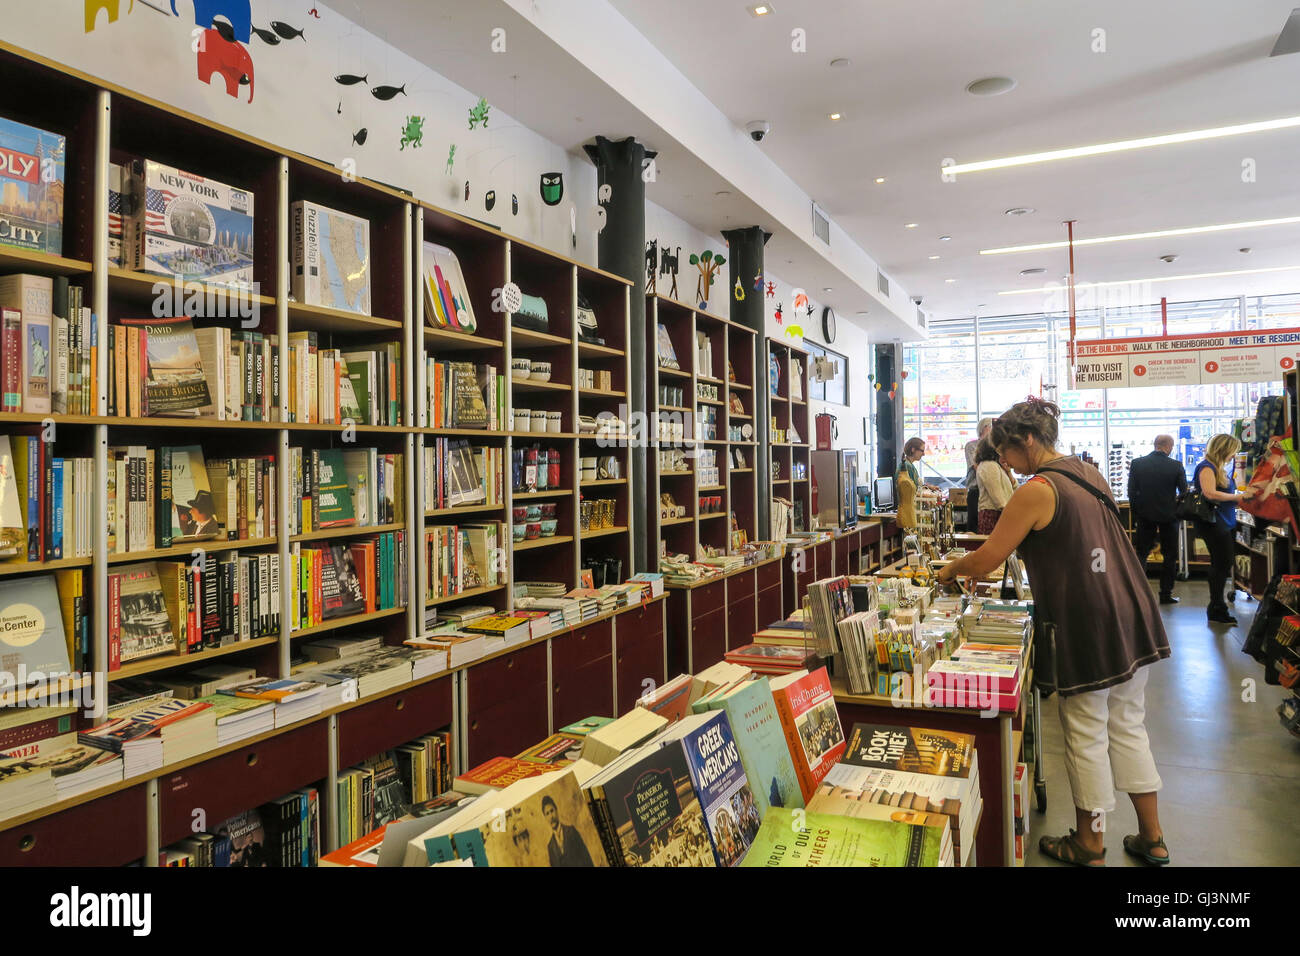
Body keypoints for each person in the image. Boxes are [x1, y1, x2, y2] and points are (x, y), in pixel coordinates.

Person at [936, 397, 1171, 867]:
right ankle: (1153, 837)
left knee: (1084, 731)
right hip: (1130, 608)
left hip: (1086, 620)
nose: (1004, 461)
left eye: (1007, 451)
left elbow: (988, 558)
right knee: (1128, 725)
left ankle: (1089, 842)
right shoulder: (1087, 473)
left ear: (1026, 441)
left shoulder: (1037, 489)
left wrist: (948, 572)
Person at [1194, 434, 1254, 625]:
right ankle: (1217, 607)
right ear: (1224, 450)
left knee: (1223, 563)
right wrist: (1238, 498)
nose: (1233, 456)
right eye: (1232, 452)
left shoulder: (1218, 469)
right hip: (1214, 523)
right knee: (1221, 564)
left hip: (1223, 521)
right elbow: (1210, 493)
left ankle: (1217, 606)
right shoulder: (1206, 467)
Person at [1127, 434, 1188, 604]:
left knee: (1141, 553)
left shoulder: (1138, 464)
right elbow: (1184, 491)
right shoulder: (1176, 465)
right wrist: (1175, 505)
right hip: (1169, 516)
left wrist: (1137, 512)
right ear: (1168, 446)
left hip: (1145, 515)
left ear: (1155, 445)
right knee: (1169, 555)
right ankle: (1165, 594)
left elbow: (1131, 491)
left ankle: (1138, 593)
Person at [973, 438, 1015, 534]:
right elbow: (997, 496)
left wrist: (1008, 472)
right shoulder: (989, 466)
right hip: (993, 514)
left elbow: (1012, 488)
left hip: (998, 512)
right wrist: (1011, 514)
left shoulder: (995, 465)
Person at [896, 437, 938, 530]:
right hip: (908, 512)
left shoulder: (910, 466)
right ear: (913, 449)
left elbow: (916, 485)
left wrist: (928, 487)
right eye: (922, 451)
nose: (924, 454)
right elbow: (912, 489)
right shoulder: (907, 467)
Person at [542, 794, 594, 867]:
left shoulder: (571, 831)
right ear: (545, 818)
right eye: (547, 813)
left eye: (552, 811)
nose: (551, 816)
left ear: (556, 811)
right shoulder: (550, 846)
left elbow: (586, 857)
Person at [965, 418, 994, 531]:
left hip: (991, 490)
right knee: (974, 526)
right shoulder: (971, 446)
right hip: (976, 490)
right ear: (983, 429)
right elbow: (977, 467)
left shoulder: (996, 447)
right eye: (990, 427)